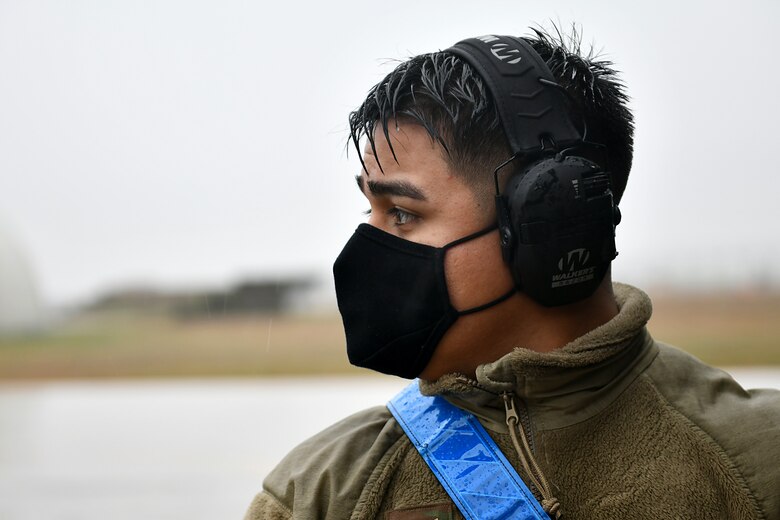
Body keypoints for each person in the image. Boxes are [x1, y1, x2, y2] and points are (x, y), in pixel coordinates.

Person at [244, 27, 780, 520]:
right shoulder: (319, 492)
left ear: (551, 225)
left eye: (403, 214)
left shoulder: (757, 466)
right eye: (371, 213)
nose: (368, 247)